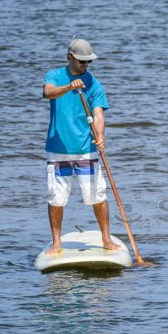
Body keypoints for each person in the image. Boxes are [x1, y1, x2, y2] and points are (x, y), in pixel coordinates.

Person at [42, 38, 119, 254]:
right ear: (70, 58)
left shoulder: (93, 83)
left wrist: (101, 135)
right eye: (82, 62)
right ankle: (57, 243)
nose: (86, 66)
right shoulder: (54, 76)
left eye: (88, 62)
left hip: (86, 149)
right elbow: (48, 93)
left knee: (97, 194)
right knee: (56, 197)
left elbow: (98, 113)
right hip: (58, 149)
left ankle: (106, 239)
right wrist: (68, 87)